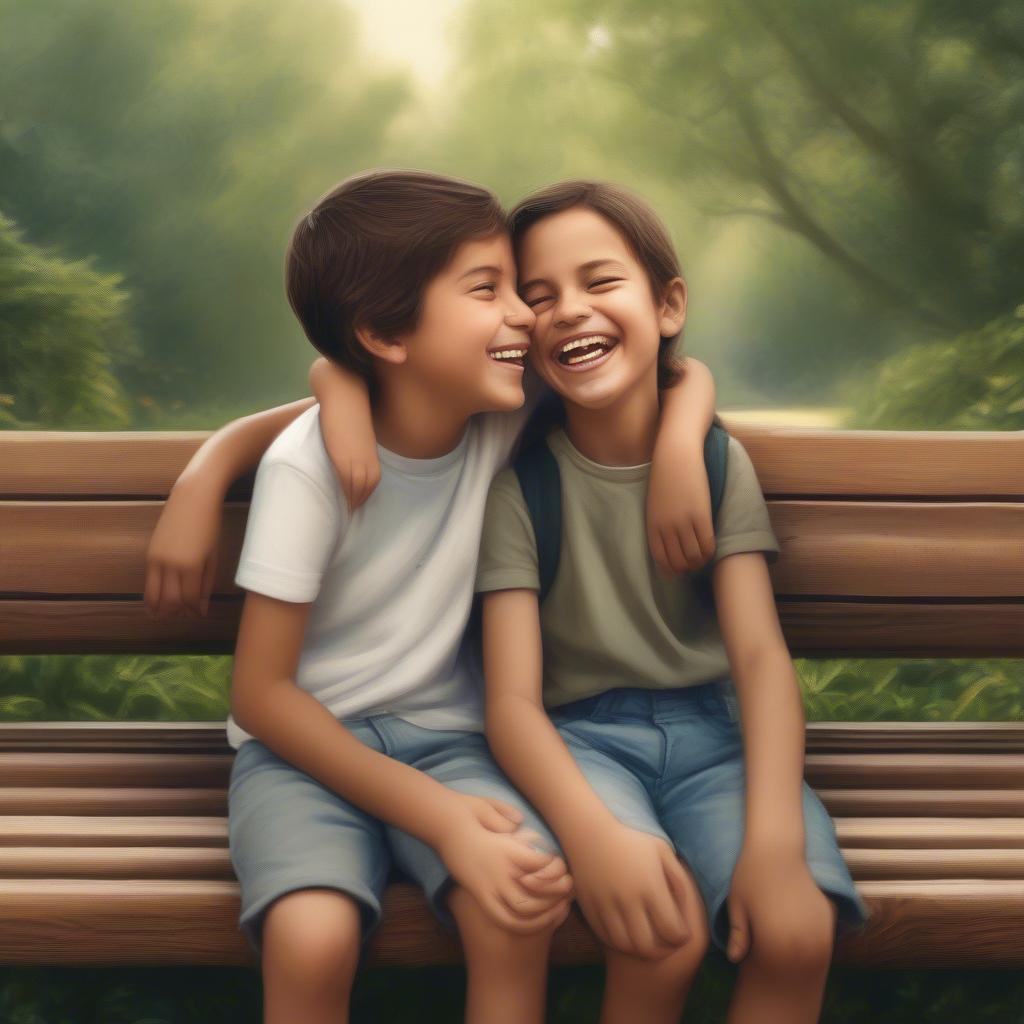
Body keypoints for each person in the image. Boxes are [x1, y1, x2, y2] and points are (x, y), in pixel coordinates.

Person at [145, 168, 721, 1024]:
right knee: (313, 939)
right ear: (383, 333)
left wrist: (680, 449)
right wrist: (214, 469)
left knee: (517, 906)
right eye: (488, 290)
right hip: (305, 751)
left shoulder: (498, 411)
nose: (526, 315)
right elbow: (261, 697)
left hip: (450, 740)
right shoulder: (310, 469)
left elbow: (673, 369)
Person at [474, 180, 871, 1024]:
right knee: (659, 931)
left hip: (716, 738)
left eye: (600, 282)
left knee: (796, 934)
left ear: (667, 304)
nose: (569, 312)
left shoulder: (718, 465)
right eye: (538, 297)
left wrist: (771, 846)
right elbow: (510, 703)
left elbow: (760, 660)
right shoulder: (522, 487)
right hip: (581, 741)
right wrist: (593, 838)